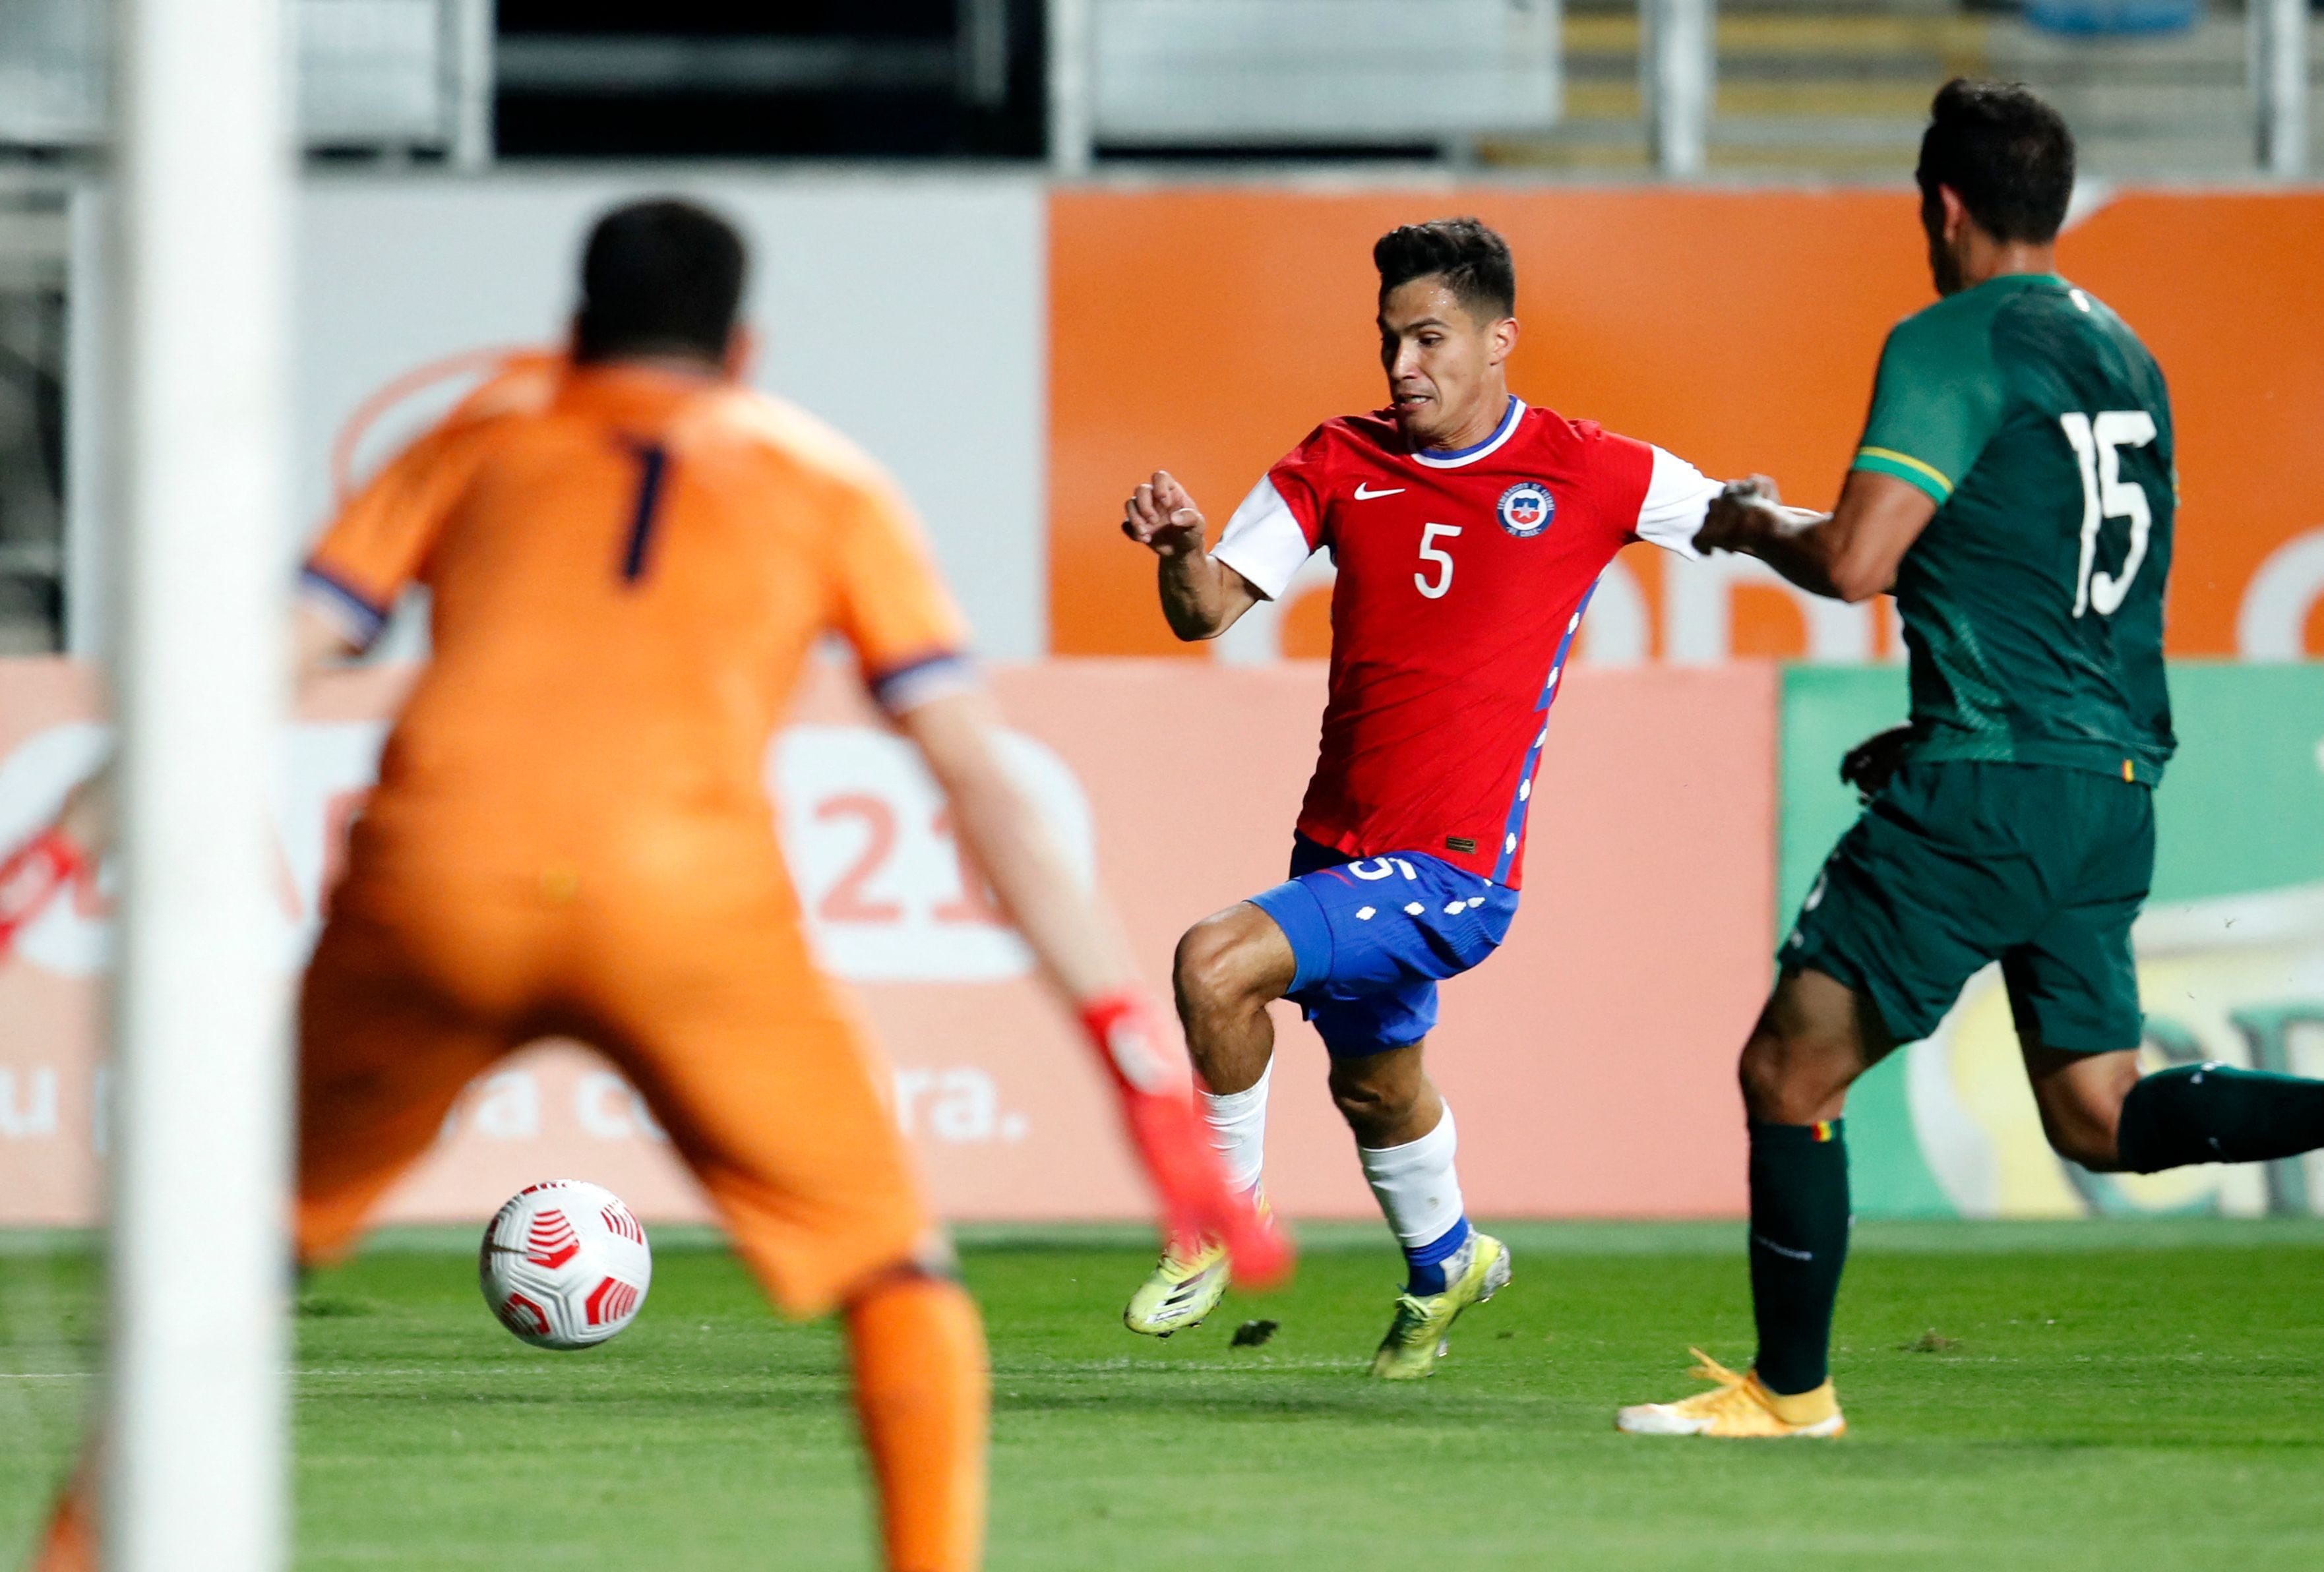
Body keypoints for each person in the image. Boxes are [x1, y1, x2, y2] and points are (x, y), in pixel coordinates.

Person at [33, 197, 1283, 1572]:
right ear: (743, 348)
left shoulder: (472, 436)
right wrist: (1126, 1052)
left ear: (572, 331)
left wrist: (53, 844)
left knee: (231, 1265)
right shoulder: (825, 482)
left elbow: (263, 662)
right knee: (896, 1277)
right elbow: (980, 782)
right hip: (684, 910)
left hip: (437, 884)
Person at [1618, 80, 2324, 1441]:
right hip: (2106, 779)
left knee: (1789, 1076)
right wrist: (1949, 712)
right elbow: (2069, 585)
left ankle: (1788, 1393)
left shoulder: (1950, 339)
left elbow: (1855, 561)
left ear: (1938, 207)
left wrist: (1743, 523)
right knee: (2098, 1111)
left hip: (1995, 778)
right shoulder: (2126, 356)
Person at [1118, 218, 1723, 1376]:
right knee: (1375, 1084)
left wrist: (1901, 540)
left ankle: (1218, 1219)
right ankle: (1448, 1260)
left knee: (1212, 962)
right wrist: (1178, 550)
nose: (1403, 367)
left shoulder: (1590, 468)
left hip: (1455, 870)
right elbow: (1205, 611)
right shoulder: (1340, 459)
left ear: (1502, 340)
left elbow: (1758, 524)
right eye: (1391, 340)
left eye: (1430, 338)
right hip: (1338, 845)